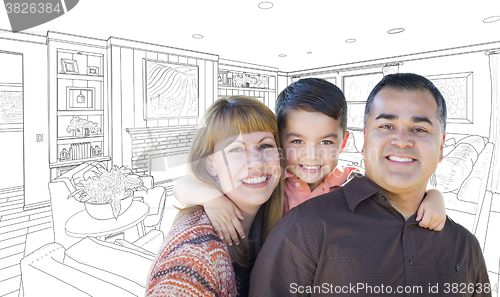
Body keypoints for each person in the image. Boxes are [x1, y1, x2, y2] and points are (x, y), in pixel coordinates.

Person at [248, 73, 491, 296]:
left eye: (419, 128)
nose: (402, 141)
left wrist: (434, 195)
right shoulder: (299, 221)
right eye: (386, 126)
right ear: (364, 140)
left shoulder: (465, 247)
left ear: (441, 146)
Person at [174, 78, 447, 247]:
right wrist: (213, 199)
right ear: (278, 142)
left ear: (343, 142)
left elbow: (397, 195)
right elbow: (182, 186)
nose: (312, 155)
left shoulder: (351, 182)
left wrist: (433, 196)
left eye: (326, 142)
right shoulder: (269, 180)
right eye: (297, 142)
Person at [145, 96, 284, 296]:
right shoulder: (194, 253)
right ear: (211, 164)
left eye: (265, 146)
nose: (256, 162)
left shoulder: (283, 213)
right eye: (236, 149)